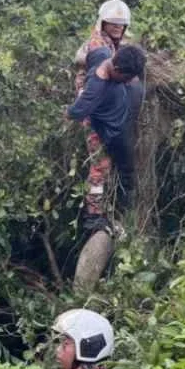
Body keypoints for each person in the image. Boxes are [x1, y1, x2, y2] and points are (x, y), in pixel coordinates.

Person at [66, 44, 147, 233]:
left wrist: (80, 59)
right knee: (117, 169)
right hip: (114, 131)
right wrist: (76, 99)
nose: (129, 81)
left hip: (126, 109)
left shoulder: (103, 55)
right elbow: (75, 112)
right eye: (127, 78)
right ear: (117, 70)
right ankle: (96, 216)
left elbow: (86, 55)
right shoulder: (96, 88)